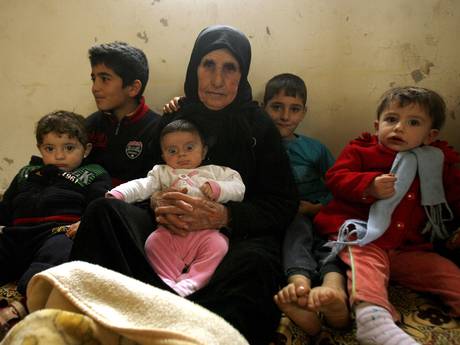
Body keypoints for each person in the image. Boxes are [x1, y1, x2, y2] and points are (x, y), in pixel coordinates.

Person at [70, 25, 298, 345]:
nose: (217, 80)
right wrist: (156, 202)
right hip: (166, 233)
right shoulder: (177, 116)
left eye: (229, 68)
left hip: (228, 240)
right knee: (103, 212)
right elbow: (147, 177)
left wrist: (224, 217)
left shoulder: (258, 125)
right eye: (209, 65)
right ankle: (129, 315)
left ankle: (189, 329)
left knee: (257, 264)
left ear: (241, 74)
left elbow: (282, 202)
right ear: (195, 69)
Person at [314, 86, 460, 345]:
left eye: (413, 122)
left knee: (447, 273)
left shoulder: (439, 161)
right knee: (365, 268)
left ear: (430, 135)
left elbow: (454, 197)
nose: (399, 128)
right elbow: (335, 178)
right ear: (377, 124)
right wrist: (368, 185)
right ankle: (374, 321)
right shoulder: (361, 150)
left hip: (410, 248)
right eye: (391, 119)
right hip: (366, 237)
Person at [0, 110, 111, 339]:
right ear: (40, 149)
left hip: (57, 233)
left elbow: (98, 207)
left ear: (86, 149)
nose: (59, 156)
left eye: (69, 148)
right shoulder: (26, 173)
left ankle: (22, 304)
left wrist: (85, 223)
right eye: (50, 148)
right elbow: (5, 208)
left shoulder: (93, 173)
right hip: (15, 236)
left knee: (59, 254)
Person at [106, 119, 245, 296]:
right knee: (153, 243)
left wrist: (218, 189)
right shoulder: (162, 173)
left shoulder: (215, 172)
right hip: (169, 231)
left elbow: (238, 188)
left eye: (189, 148)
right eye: (172, 151)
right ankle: (165, 282)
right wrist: (118, 194)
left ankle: (192, 283)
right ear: (164, 156)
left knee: (219, 246)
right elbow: (142, 185)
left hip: (206, 232)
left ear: (203, 151)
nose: (181, 155)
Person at [263, 73, 349, 335]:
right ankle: (299, 287)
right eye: (276, 107)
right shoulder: (257, 147)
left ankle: (334, 292)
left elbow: (339, 186)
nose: (285, 116)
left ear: (303, 113)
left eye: (294, 109)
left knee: (334, 243)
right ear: (263, 108)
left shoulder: (314, 149)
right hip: (289, 218)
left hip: (322, 213)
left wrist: (318, 208)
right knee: (297, 232)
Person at [85, 41, 161, 187]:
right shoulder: (89, 126)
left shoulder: (157, 129)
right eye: (94, 79)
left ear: (133, 88)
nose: (95, 88)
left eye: (105, 79)